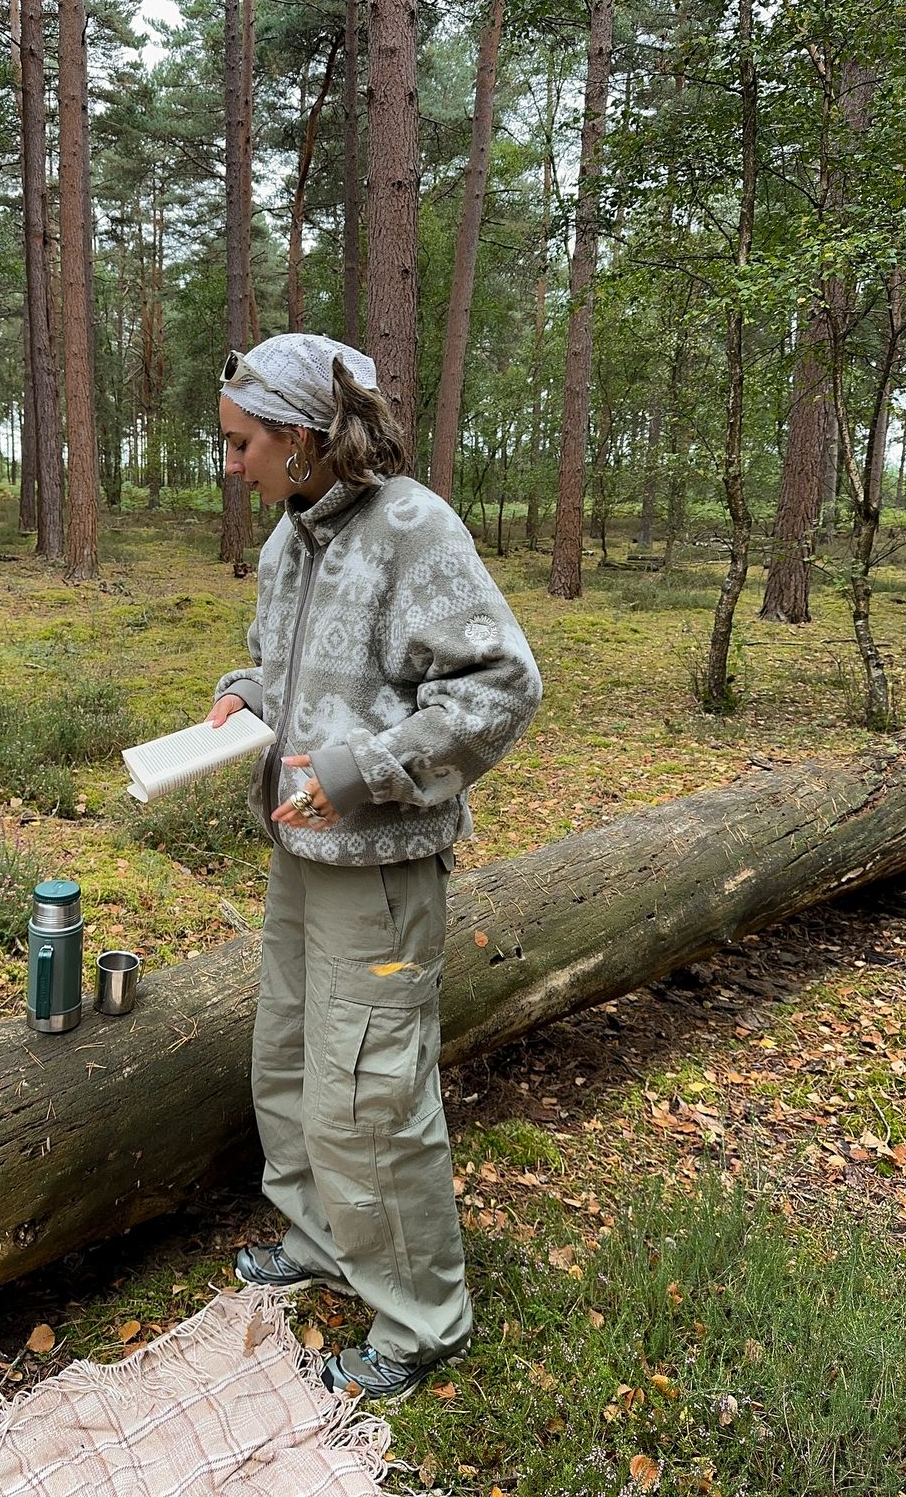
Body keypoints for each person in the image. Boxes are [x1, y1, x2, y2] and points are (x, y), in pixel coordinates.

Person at [206, 332, 542, 1399]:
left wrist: (366, 769)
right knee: (295, 1055)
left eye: (244, 443)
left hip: (383, 860)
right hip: (300, 851)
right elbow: (288, 664)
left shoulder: (412, 528)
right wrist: (247, 696)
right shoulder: (292, 535)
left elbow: (497, 687)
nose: (233, 464)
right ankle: (317, 1236)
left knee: (373, 1090)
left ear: (304, 439)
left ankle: (421, 1316)